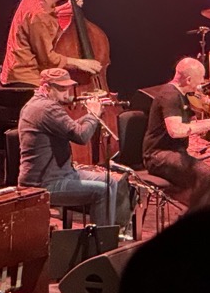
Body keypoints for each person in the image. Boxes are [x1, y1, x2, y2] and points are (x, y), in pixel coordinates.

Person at [17, 66, 132, 229]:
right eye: (62, 89)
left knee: (111, 182)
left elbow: (70, 127)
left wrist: (91, 115)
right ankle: (100, 243)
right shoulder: (46, 108)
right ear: (46, 88)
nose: (68, 93)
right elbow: (81, 136)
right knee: (103, 190)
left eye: (69, 88)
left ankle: (113, 232)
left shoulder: (39, 105)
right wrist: (93, 115)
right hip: (44, 183)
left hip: (64, 174)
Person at [142, 58, 210, 212]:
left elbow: (202, 112)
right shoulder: (170, 95)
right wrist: (205, 124)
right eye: (200, 79)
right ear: (189, 79)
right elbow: (175, 131)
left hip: (174, 154)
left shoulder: (183, 94)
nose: (201, 84)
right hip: (158, 156)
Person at [0, 0, 103, 86]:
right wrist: (80, 63)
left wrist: (67, 8)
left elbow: (45, 19)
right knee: (59, 101)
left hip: (15, 73)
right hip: (27, 79)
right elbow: (48, 59)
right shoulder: (39, 15)